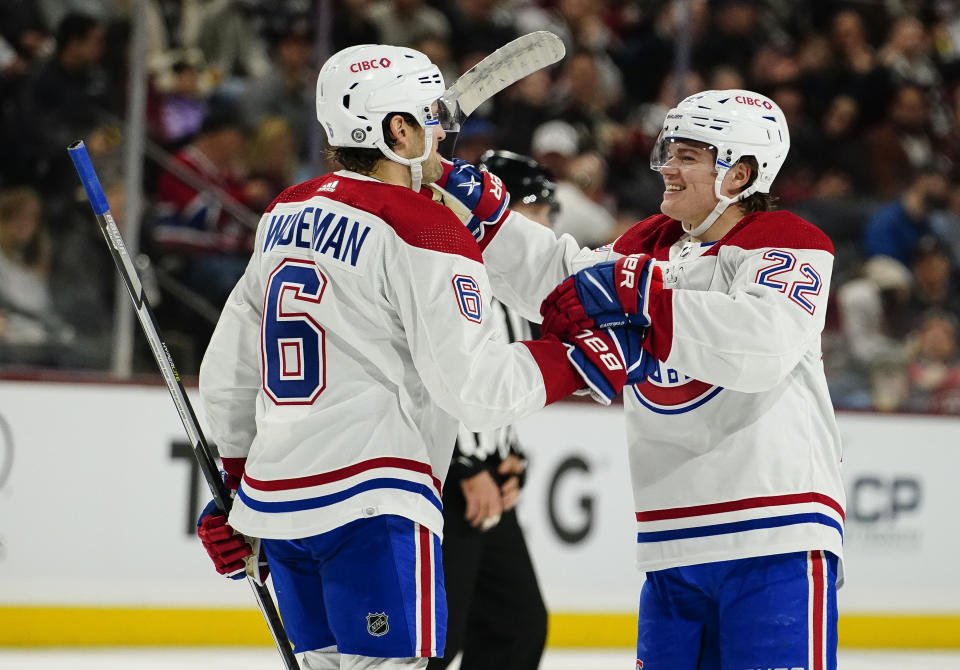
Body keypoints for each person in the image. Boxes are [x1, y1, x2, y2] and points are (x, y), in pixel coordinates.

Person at [194, 44, 640, 670]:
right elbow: (475, 389)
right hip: (371, 505)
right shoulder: (424, 228)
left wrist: (236, 490)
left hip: (281, 507)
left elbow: (230, 370)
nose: (441, 131)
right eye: (429, 117)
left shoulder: (283, 212)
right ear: (395, 129)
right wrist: (579, 359)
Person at [437, 90, 845, 669]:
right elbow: (561, 278)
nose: (667, 168)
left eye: (689, 156)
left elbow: (765, 342)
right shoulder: (651, 244)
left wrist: (641, 297)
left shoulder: (784, 239)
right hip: (671, 540)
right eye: (668, 151)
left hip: (773, 534)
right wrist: (485, 216)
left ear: (742, 172)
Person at [427, 150, 557, 670]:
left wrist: (509, 456)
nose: (547, 224)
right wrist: (464, 465)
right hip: (443, 485)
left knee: (515, 626)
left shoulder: (514, 289)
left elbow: (493, 386)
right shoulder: (451, 271)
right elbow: (427, 376)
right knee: (435, 640)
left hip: (486, 486)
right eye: (537, 209)